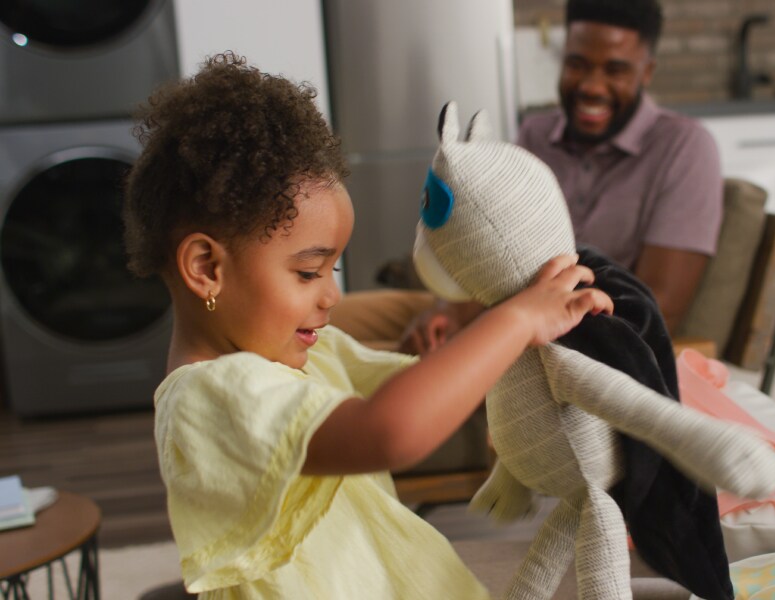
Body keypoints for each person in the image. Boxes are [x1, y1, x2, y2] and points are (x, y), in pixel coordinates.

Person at [122, 51, 612, 599]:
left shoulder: (300, 354)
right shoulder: (209, 398)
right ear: (207, 268)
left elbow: (426, 389)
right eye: (308, 272)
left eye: (332, 269)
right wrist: (516, 320)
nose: (331, 294)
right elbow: (389, 430)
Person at [397, 0, 722, 354]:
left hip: (567, 347)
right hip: (503, 314)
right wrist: (450, 313)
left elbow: (659, 310)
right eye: (576, 64)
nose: (591, 86)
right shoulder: (536, 134)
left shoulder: (684, 147)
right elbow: (496, 250)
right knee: (346, 326)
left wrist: (500, 332)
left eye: (615, 70)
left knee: (372, 372)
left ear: (647, 72)